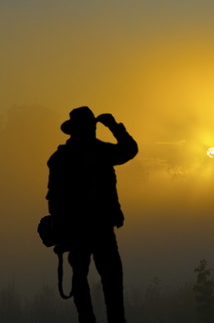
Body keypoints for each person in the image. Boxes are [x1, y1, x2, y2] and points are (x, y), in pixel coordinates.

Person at [46, 106, 138, 323]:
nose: (92, 131)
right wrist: (114, 127)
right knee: (101, 277)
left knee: (100, 277)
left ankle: (96, 319)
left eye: (92, 127)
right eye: (89, 127)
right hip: (88, 227)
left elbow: (54, 199)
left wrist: (115, 127)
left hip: (88, 227)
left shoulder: (66, 157)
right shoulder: (92, 154)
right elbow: (55, 198)